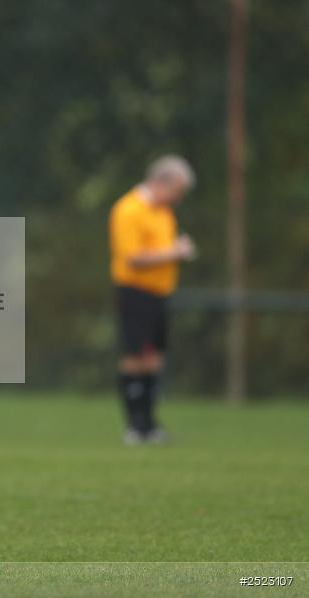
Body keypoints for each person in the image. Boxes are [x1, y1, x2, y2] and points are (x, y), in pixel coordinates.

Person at [109, 155, 197, 445]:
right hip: (135, 292)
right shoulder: (129, 210)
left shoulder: (164, 212)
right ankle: (134, 426)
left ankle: (149, 424)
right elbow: (132, 258)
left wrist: (174, 249)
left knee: (155, 359)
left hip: (160, 294)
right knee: (136, 357)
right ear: (162, 182)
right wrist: (175, 253)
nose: (178, 199)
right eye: (177, 192)